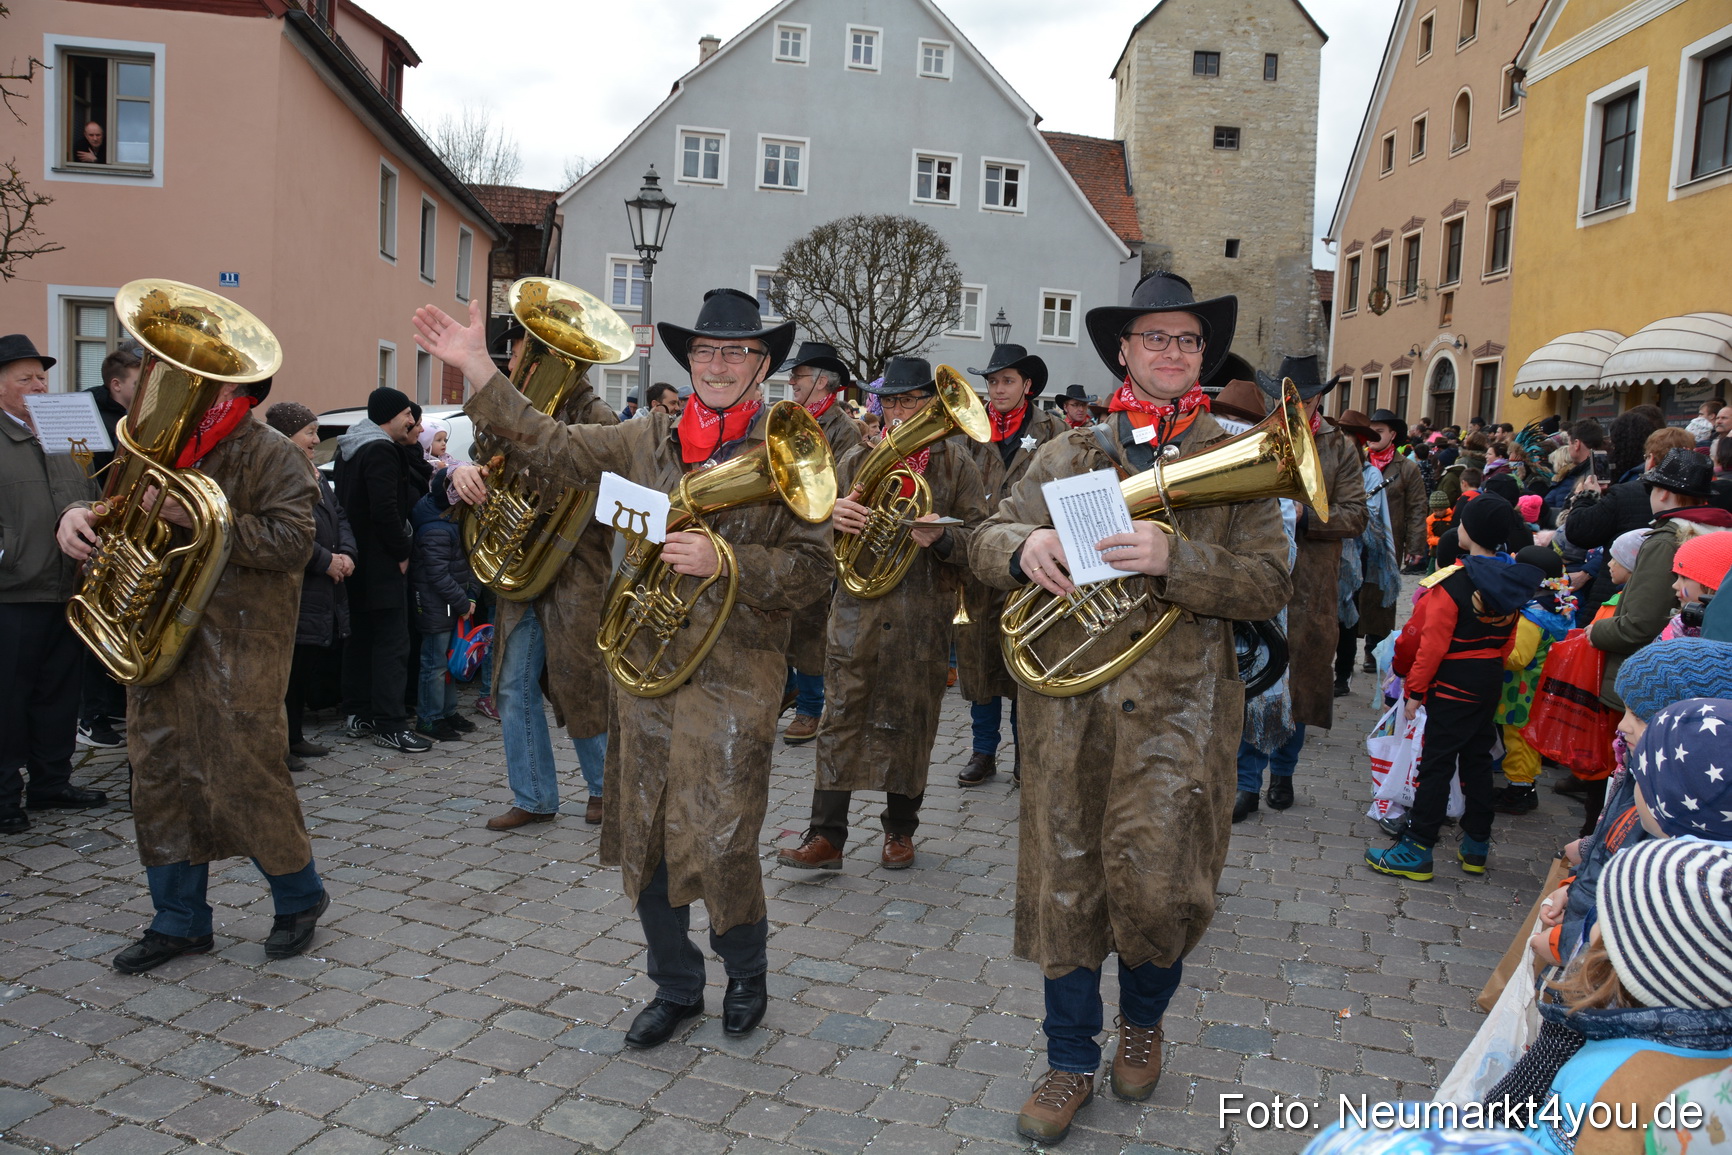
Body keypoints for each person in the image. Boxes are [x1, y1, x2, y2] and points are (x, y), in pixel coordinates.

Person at [420, 286, 832, 1046]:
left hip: (737, 676)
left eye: (735, 351)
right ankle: (675, 985)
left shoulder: (792, 447)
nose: (716, 364)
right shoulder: (647, 438)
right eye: (704, 351)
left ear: (762, 363)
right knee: (642, 832)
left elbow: (814, 571)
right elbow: (551, 443)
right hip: (646, 673)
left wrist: (727, 560)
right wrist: (480, 370)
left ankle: (746, 974)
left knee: (725, 837)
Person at [969, 271, 1291, 1144]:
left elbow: (1270, 579)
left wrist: (1174, 558)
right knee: (1066, 886)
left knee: (1162, 887)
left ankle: (1143, 1021)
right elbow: (985, 535)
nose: (1172, 353)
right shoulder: (1066, 452)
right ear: (1122, 350)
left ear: (1204, 356)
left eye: (1188, 341)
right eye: (1155, 338)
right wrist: (1024, 544)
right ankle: (1070, 1059)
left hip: (1183, 714)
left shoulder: (1238, 460)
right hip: (1068, 714)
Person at [57, 372, 330, 973]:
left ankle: (299, 898)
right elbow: (113, 502)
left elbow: (292, 542)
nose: (179, 385)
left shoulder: (273, 453)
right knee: (157, 772)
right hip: (155, 633)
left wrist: (201, 517)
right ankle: (178, 921)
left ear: (237, 390)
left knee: (247, 774)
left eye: (201, 377)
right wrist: (77, 515)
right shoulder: (153, 444)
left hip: (241, 640)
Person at [778, 357, 986, 872]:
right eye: (889, 401)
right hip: (858, 613)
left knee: (911, 720)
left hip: (923, 613)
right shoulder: (852, 458)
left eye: (909, 400)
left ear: (932, 406)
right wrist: (833, 521)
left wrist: (942, 537)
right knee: (840, 719)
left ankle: (900, 831)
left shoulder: (958, 464)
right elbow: (812, 531)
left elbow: (981, 540)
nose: (897, 411)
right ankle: (826, 835)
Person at [464, 321, 618, 831]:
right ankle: (533, 796)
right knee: (511, 684)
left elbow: (614, 494)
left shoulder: (596, 414)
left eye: (521, 350)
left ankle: (604, 790)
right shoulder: (511, 406)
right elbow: (483, 459)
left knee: (581, 679)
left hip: (575, 565)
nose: (511, 362)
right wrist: (463, 474)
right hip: (521, 565)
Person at [1367, 494, 1546, 880]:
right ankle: (1476, 844)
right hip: (1487, 680)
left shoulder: (1451, 583)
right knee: (1478, 761)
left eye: (1463, 522)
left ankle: (1416, 848)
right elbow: (1509, 642)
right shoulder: (1512, 578)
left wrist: (1414, 690)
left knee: (1436, 764)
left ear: (1471, 531)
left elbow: (1428, 645)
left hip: (1452, 682)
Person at [1234, 359, 1366, 821]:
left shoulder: (1340, 446)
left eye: (1303, 397)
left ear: (1317, 400)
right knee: (1254, 679)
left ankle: (1284, 774)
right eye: (1284, 396)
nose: (1291, 405)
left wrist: (1305, 517)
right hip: (1260, 576)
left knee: (1300, 681)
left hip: (1310, 587)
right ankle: (1245, 782)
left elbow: (1356, 514)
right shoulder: (1254, 435)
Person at [0, 336, 106, 835]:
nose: (39, 385)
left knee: (59, 694)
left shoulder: (65, 434)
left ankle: (51, 782)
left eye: (41, 376)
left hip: (69, 588)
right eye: (25, 378)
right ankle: (3, 795)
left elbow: (94, 494)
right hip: (12, 591)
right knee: (7, 698)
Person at [955, 342, 1065, 786]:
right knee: (979, 663)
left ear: (1027, 385)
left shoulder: (1053, 428)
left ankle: (1025, 754)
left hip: (1031, 564)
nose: (996, 389)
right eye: (991, 381)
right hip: (978, 561)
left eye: (1006, 381)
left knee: (1026, 662)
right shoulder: (969, 428)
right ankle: (983, 751)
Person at [333, 387, 431, 752]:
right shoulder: (382, 450)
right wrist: (402, 550)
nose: (411, 421)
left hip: (357, 559)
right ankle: (390, 723)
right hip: (382, 563)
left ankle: (359, 714)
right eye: (407, 414)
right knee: (392, 644)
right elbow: (386, 511)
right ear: (389, 416)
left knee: (360, 641)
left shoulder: (351, 448)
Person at [779, 341, 863, 745]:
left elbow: (842, 489)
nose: (791, 379)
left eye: (799, 374)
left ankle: (810, 707)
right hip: (783, 530)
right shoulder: (791, 418)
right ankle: (789, 687)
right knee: (780, 617)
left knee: (811, 624)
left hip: (818, 537)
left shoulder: (842, 429)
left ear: (823, 381)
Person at [265, 402, 355, 771]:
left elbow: (340, 516)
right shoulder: (277, 473)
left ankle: (295, 737)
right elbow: (284, 530)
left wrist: (347, 552)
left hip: (324, 586)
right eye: (310, 433)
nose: (317, 440)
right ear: (288, 437)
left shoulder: (315, 473)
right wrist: (325, 561)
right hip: (298, 587)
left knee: (302, 670)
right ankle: (278, 746)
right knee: (283, 674)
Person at [75, 346, 142, 749]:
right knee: (96, 627)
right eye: (138, 383)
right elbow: (88, 479)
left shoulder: (136, 418)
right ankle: (91, 715)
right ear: (116, 385)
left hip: (127, 532)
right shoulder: (91, 420)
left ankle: (112, 703)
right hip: (102, 532)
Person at [1489, 546, 1572, 815]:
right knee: (1527, 740)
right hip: (1540, 686)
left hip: (1521, 691)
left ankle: (1520, 790)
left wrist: (1495, 644)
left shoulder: (1530, 617)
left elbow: (1517, 658)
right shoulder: (1557, 607)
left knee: (1519, 741)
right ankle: (1522, 785)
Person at [408, 489, 476, 741]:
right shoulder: (435, 528)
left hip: (451, 605)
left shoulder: (448, 523)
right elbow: (438, 575)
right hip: (437, 606)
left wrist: (469, 597)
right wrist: (463, 601)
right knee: (435, 665)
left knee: (448, 663)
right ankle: (429, 718)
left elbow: (465, 563)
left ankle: (446, 712)